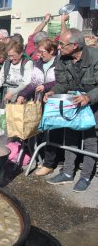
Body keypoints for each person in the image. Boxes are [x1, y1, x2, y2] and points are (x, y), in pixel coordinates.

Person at [44, 28, 98, 192]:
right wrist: (54, 91)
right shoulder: (62, 59)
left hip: (94, 103)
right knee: (70, 136)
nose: (58, 47)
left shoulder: (95, 57)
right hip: (73, 102)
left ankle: (85, 176)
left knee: (90, 141)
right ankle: (67, 173)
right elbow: (63, 84)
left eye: (62, 44)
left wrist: (89, 97)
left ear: (74, 45)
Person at [17, 38, 61, 176]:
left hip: (54, 102)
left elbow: (61, 81)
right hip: (40, 102)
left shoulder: (59, 63)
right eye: (39, 51)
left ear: (52, 51)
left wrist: (47, 86)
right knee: (40, 132)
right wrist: (23, 94)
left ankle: (49, 163)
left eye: (42, 52)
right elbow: (33, 83)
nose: (39, 54)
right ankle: (41, 158)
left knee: (51, 133)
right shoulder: (39, 63)